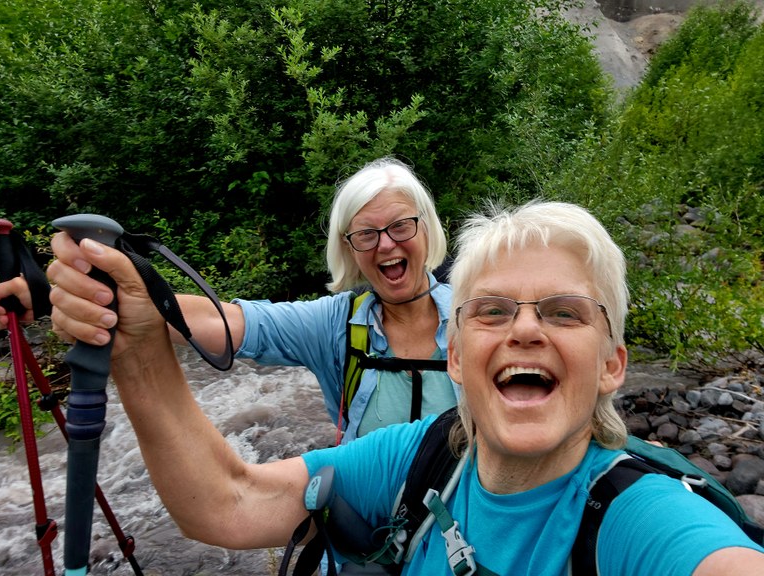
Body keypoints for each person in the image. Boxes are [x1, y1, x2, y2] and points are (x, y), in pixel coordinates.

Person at [47, 199, 764, 575]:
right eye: (492, 311)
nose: (524, 331)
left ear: (612, 364)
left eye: (563, 313)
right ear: (457, 354)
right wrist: (141, 340)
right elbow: (226, 501)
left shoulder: (639, 521)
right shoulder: (422, 452)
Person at [47, 157, 458, 444]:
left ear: (427, 229)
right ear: (350, 250)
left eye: (401, 226)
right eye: (366, 234)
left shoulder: (477, 313)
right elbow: (224, 322)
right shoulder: (334, 325)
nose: (386, 244)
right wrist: (115, 298)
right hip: (373, 545)